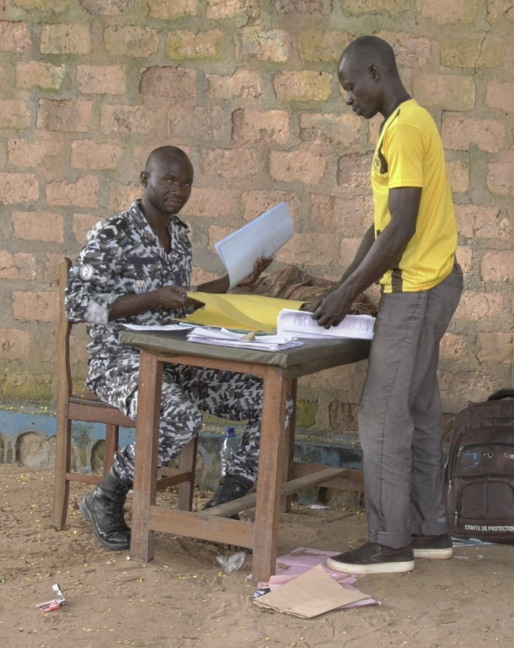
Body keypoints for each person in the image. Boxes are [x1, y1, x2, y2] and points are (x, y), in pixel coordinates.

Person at [65, 146, 275, 551]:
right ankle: (105, 496)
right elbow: (75, 304)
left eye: (187, 183)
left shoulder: (179, 235)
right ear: (145, 180)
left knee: (271, 397)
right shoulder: (111, 233)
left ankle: (225, 504)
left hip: (176, 359)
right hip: (119, 361)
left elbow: (182, 299)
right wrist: (152, 299)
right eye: (169, 180)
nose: (179, 189)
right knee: (179, 417)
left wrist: (234, 280)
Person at [310, 36, 463, 575]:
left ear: (376, 72)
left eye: (351, 86)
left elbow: (401, 228)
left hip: (417, 289)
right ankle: (428, 530)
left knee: (381, 415)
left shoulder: (404, 128)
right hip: (429, 283)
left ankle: (390, 542)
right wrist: (343, 285)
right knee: (418, 410)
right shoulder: (403, 124)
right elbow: (380, 225)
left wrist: (349, 294)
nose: (348, 98)